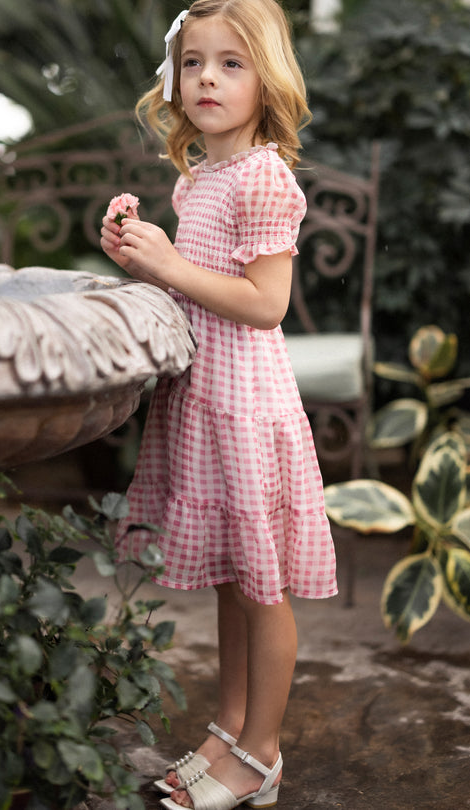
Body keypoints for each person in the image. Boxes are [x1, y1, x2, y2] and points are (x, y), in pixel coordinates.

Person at [100, 1, 337, 807]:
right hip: (205, 400)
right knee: (232, 580)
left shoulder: (267, 175)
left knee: (260, 588)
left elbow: (266, 303)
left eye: (231, 62)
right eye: (193, 61)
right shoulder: (197, 176)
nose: (206, 76)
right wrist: (141, 253)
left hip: (247, 403)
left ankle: (261, 755)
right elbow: (198, 282)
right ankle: (230, 728)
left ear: (266, 80)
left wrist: (170, 267)